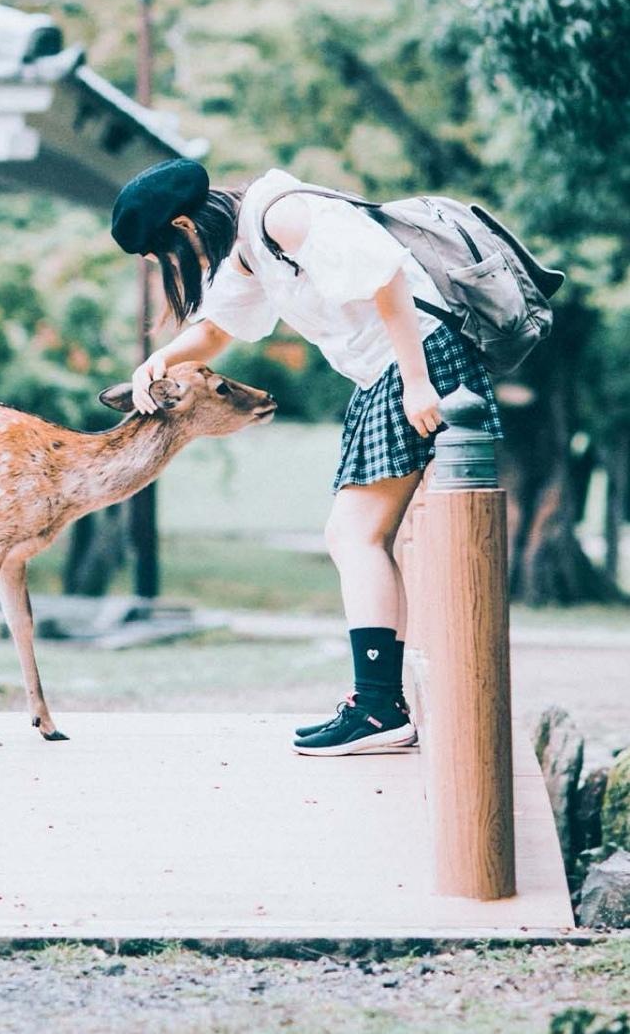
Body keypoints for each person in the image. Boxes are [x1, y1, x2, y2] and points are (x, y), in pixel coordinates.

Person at [110, 158, 503, 756]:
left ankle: (377, 708)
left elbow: (386, 276)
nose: (177, 268)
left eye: (169, 255)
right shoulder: (251, 247)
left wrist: (418, 382)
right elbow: (218, 331)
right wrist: (157, 361)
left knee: (355, 535)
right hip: (387, 371)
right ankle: (378, 702)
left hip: (415, 360)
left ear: (186, 228)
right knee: (358, 535)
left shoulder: (284, 214)